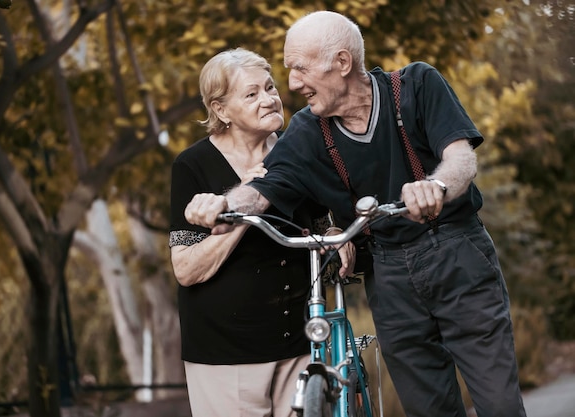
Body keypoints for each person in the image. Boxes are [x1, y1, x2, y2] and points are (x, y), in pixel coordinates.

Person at [183, 11, 528, 417]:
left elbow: (460, 159)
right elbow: (262, 191)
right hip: (390, 275)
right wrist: (224, 206)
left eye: (299, 68)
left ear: (342, 63)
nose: (292, 84)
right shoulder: (307, 131)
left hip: (457, 253)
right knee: (429, 408)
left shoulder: (417, 85)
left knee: (499, 402)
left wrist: (435, 186)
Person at [169, 48, 355, 417]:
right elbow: (186, 269)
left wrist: (336, 231)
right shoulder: (193, 166)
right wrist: (252, 197)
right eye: (252, 94)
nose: (270, 99)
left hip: (300, 343)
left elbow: (319, 222)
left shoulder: (296, 151)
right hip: (227, 354)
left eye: (270, 88)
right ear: (221, 110)